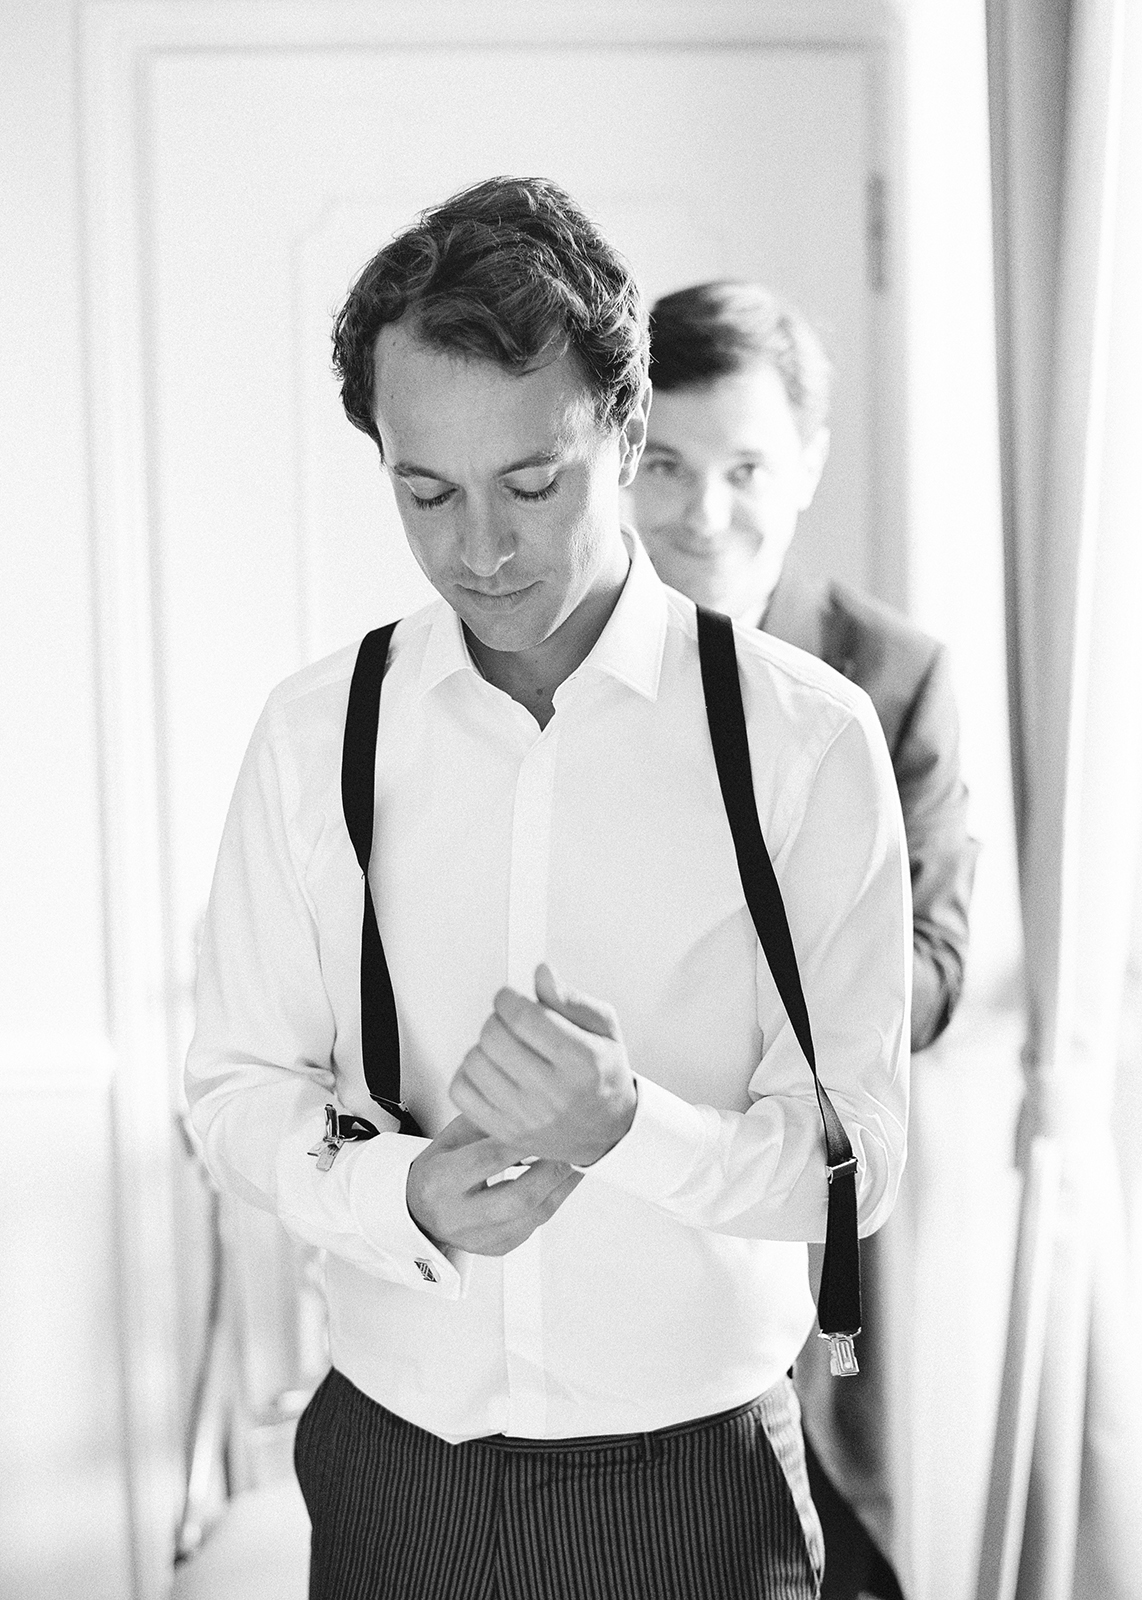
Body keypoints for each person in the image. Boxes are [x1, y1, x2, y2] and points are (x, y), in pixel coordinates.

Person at [186, 182, 912, 1600]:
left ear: (627, 439)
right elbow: (234, 1091)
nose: (482, 551)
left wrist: (628, 1128)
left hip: (692, 1491)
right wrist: (405, 1194)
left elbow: (862, 1161)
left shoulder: (806, 740)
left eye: (533, 484)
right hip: (393, 1476)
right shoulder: (310, 734)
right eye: (426, 493)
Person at [630, 279, 979, 1600]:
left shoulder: (893, 676)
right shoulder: (549, 666)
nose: (700, 514)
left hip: (821, 1207)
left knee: (833, 1551)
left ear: (809, 469)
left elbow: (936, 970)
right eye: (662, 464)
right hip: (613, 1203)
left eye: (745, 468)